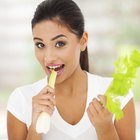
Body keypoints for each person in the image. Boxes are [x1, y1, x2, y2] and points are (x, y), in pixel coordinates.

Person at [7, 0, 136, 140]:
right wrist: (34, 129)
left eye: (60, 43)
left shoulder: (116, 94)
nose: (48, 58)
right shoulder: (21, 101)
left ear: (83, 41)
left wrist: (106, 129)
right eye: (40, 45)